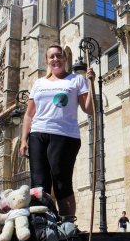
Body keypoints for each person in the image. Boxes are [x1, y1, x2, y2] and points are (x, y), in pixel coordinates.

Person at [19, 44, 95, 220]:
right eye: (51, 56)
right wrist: (24, 140)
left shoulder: (77, 80)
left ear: (65, 59)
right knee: (39, 182)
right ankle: (42, 224)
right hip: (37, 134)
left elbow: (89, 109)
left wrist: (91, 84)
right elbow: (29, 115)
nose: (55, 59)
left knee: (61, 181)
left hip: (65, 135)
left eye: (59, 56)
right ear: (47, 61)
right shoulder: (39, 83)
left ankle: (68, 225)